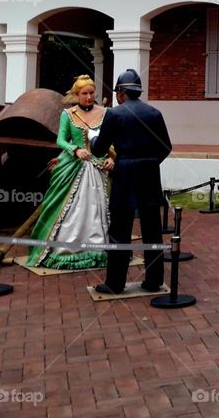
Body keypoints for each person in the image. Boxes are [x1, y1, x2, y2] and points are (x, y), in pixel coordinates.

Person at [91, 69, 172, 294]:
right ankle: (154, 280)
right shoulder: (154, 113)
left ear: (121, 92)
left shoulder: (114, 115)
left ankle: (115, 283)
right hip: (148, 173)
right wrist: (150, 161)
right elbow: (166, 146)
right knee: (152, 229)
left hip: (125, 173)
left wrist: (94, 137)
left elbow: (98, 149)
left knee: (120, 230)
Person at [26, 75, 113, 269]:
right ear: (76, 95)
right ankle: (67, 248)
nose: (89, 97)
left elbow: (112, 141)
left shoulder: (106, 113)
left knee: (98, 208)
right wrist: (75, 149)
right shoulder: (68, 114)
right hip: (74, 165)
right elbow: (60, 140)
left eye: (91, 93)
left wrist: (111, 157)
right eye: (84, 93)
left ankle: (98, 248)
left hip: (99, 167)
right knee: (73, 208)